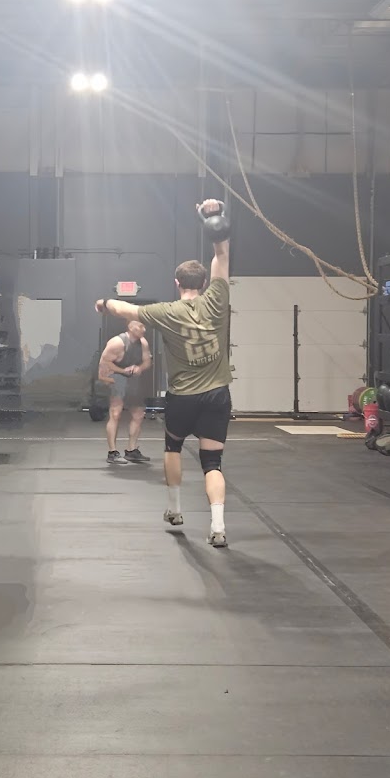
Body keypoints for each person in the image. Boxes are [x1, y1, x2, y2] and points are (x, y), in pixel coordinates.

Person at [96, 199, 232, 546]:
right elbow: (221, 253)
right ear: (204, 282)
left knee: (173, 449)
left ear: (176, 283)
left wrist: (104, 304)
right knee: (212, 462)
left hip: (183, 397)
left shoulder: (165, 312)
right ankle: (218, 526)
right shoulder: (217, 297)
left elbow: (123, 308)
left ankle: (174, 509)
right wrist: (214, 216)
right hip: (217, 394)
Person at [98, 320, 152, 464]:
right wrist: (122, 371)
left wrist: (140, 368)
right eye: (140, 326)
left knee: (138, 414)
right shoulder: (117, 343)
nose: (143, 329)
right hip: (116, 377)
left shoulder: (143, 343)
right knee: (115, 413)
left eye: (144, 326)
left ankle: (131, 450)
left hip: (132, 379)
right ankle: (112, 452)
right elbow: (105, 362)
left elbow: (147, 361)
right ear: (131, 327)